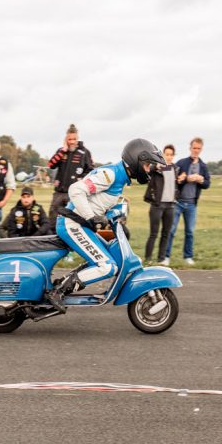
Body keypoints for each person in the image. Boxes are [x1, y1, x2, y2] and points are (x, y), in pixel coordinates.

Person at [46, 139, 166, 311]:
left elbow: (100, 203)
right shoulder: (110, 175)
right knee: (107, 266)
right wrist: (91, 217)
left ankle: (65, 283)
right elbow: (76, 190)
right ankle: (58, 292)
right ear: (136, 160)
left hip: (81, 225)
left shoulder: (120, 178)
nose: (149, 170)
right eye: (147, 165)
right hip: (72, 224)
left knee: (112, 256)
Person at [166, 137, 211, 265]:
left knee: (190, 232)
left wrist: (201, 180)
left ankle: (188, 257)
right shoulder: (182, 163)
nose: (196, 150)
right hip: (178, 202)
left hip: (192, 204)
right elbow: (174, 180)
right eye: (194, 148)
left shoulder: (203, 166)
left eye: (198, 148)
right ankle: (165, 257)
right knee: (171, 230)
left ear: (201, 149)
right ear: (190, 148)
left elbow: (207, 184)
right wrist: (186, 179)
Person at [47, 123, 94, 216]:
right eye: (69, 139)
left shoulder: (84, 152)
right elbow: (50, 165)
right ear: (66, 139)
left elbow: (91, 171)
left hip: (75, 194)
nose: (72, 142)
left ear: (77, 138)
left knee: (73, 219)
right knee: (53, 217)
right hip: (59, 193)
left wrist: (81, 180)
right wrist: (63, 151)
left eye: (74, 139)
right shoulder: (61, 151)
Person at [143, 143, 178, 264]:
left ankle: (161, 259)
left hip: (170, 206)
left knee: (166, 234)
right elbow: (150, 169)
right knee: (153, 234)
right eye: (166, 154)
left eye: (171, 155)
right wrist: (156, 165)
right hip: (157, 205)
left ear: (173, 156)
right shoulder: (158, 167)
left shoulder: (174, 168)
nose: (169, 157)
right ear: (163, 155)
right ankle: (148, 259)